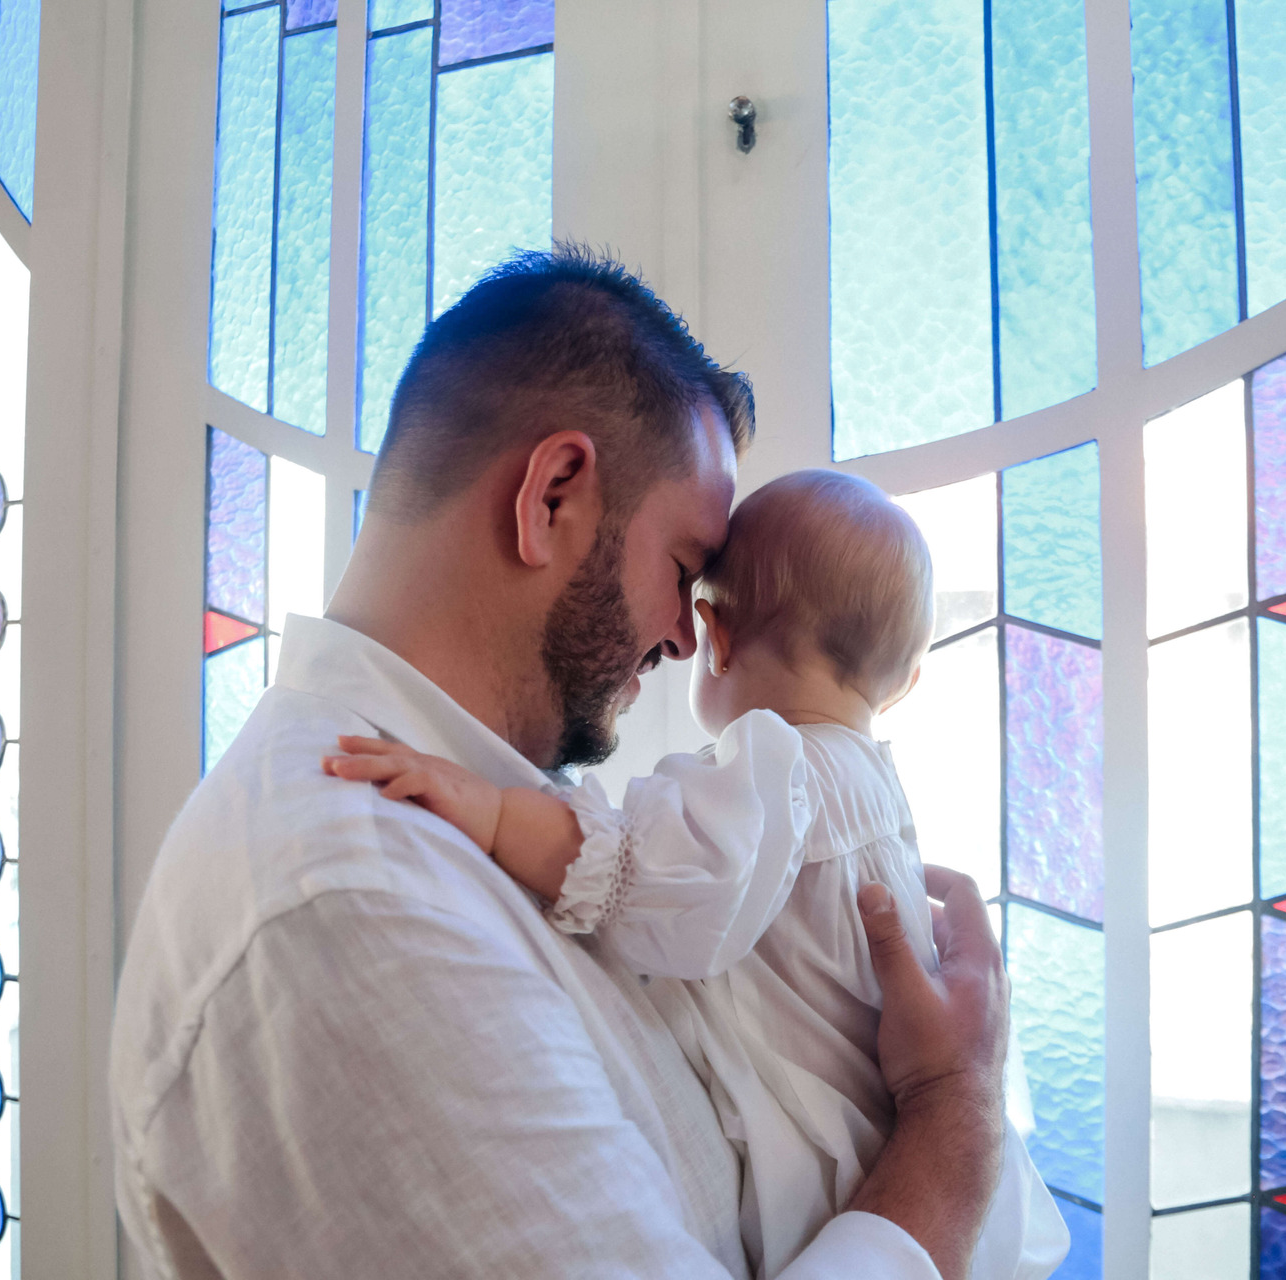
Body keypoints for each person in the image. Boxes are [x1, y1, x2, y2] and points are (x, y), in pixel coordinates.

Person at [109, 248, 1022, 1279]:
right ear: (552, 495)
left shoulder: (490, 827)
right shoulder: (351, 892)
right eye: (686, 570)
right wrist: (952, 1121)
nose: (685, 636)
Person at [321, 469, 1067, 1278]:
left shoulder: (774, 770)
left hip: (832, 1178)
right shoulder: (878, 789)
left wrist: (497, 813)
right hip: (907, 1162)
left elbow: (639, 871)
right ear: (904, 682)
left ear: (716, 636)